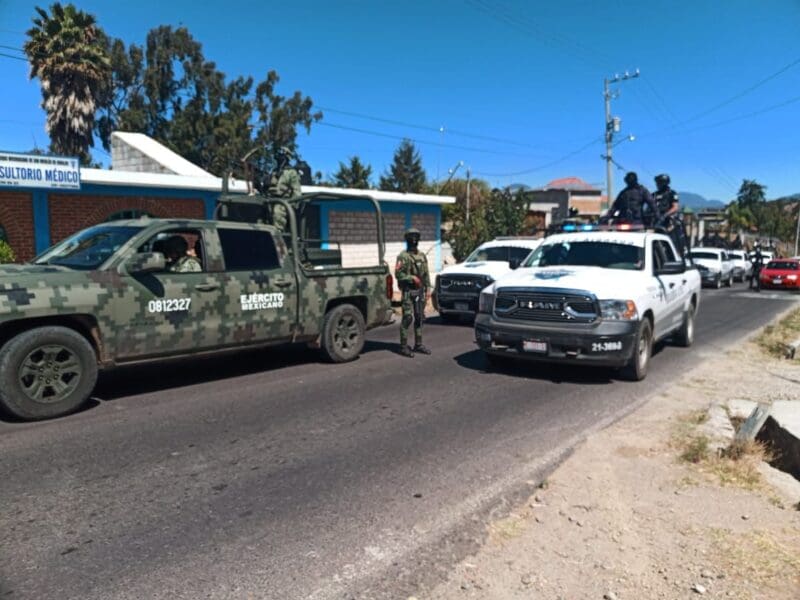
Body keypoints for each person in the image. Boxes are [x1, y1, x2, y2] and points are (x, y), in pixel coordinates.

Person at [395, 228, 431, 357]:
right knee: (407, 318)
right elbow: (398, 274)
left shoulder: (422, 256)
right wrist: (412, 278)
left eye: (416, 238)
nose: (414, 241)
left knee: (419, 317)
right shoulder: (403, 256)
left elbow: (426, 274)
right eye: (411, 238)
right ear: (407, 240)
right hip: (408, 292)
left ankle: (418, 344)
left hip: (419, 292)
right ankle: (403, 346)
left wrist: (428, 289)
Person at [652, 173, 688, 258]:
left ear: (663, 183)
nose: (657, 184)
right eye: (657, 183)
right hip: (655, 222)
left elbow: (675, 207)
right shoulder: (654, 195)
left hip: (669, 224)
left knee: (671, 245)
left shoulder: (672, 193)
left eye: (658, 183)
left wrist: (665, 215)